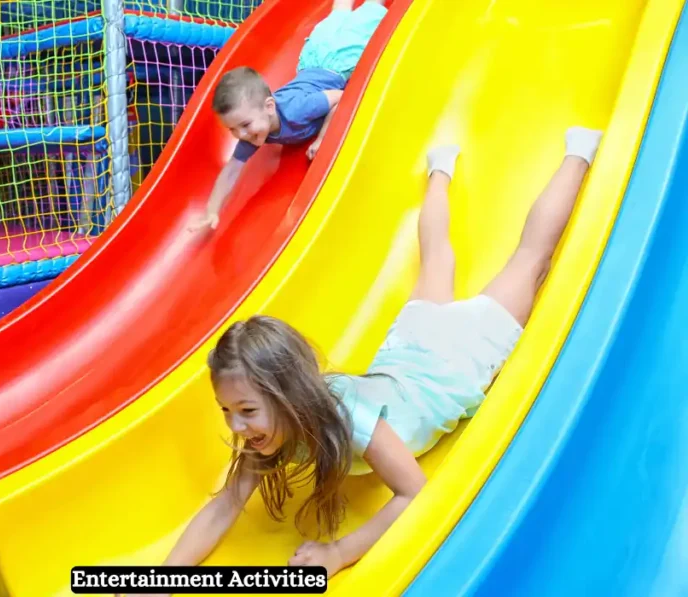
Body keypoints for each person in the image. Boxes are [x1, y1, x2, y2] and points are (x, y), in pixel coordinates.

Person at [125, 126, 604, 594]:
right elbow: (225, 504)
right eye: (228, 410)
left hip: (452, 360)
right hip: (408, 351)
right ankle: (440, 169)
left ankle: (579, 150)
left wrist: (340, 552)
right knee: (435, 258)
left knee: (530, 260)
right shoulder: (266, 435)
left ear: (290, 394)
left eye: (246, 410)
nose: (237, 425)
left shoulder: (349, 418)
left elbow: (414, 491)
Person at [190, 0, 389, 232]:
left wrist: (322, 137)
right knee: (338, 16)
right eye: (233, 130)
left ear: (269, 106)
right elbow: (232, 168)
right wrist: (211, 211)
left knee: (370, 12)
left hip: (338, 58)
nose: (241, 135)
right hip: (314, 56)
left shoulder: (297, 110)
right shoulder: (256, 129)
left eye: (244, 125)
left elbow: (339, 96)